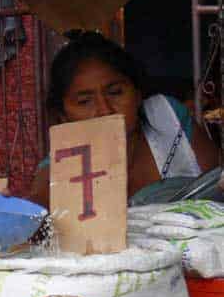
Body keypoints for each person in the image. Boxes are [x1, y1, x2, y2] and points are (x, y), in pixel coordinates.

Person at [30, 31, 219, 208]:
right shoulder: (60, 167)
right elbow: (36, 212)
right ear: (64, 116)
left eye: (115, 92)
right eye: (85, 101)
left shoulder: (168, 118)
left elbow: (217, 186)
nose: (105, 110)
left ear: (137, 94)